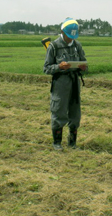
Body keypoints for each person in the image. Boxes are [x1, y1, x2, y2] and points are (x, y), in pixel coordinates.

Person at [43, 18, 87, 151]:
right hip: (60, 84)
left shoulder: (77, 45)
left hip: (74, 82)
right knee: (59, 111)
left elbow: (84, 63)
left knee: (75, 113)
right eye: (68, 36)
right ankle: (57, 143)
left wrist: (83, 67)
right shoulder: (54, 46)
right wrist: (59, 67)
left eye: (73, 37)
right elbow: (46, 68)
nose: (70, 39)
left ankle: (72, 144)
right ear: (62, 32)